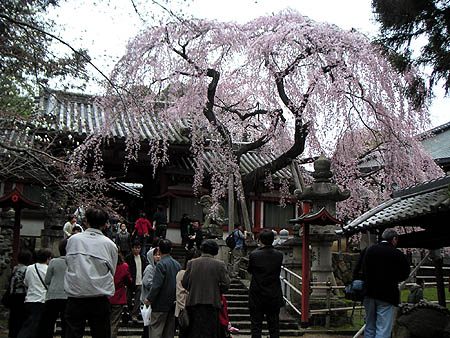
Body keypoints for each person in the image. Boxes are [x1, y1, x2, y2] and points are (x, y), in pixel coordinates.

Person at [64, 207, 118, 338]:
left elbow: (69, 263)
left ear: (86, 222)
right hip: (99, 295)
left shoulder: (73, 240)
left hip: (76, 294)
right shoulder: (110, 245)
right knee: (101, 333)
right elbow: (113, 270)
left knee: (72, 333)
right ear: (106, 224)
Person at [354, 228, 410, 338]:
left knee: (369, 326)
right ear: (394, 239)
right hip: (387, 294)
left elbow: (357, 270)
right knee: (383, 328)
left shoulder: (368, 250)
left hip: (369, 292)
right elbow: (404, 274)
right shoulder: (397, 254)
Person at [182, 239, 231, 338]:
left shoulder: (192, 263)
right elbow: (226, 284)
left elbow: (185, 282)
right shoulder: (219, 265)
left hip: (194, 302)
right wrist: (216, 289)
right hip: (212, 303)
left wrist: (194, 288)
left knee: (194, 332)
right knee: (210, 332)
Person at [247, 230, 283, 338]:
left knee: (256, 326)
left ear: (260, 240)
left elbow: (250, 270)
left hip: (257, 294)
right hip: (274, 293)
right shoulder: (279, 255)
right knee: (274, 326)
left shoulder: (254, 255)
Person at [145, 239, 181, 338]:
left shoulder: (161, 264)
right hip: (172, 302)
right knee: (168, 332)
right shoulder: (177, 264)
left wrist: (149, 298)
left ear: (159, 249)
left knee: (156, 330)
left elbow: (157, 285)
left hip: (160, 303)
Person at [17, 248, 52, 338]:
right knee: (37, 326)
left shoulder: (30, 268)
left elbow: (26, 282)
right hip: (42, 299)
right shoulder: (48, 269)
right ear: (48, 259)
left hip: (30, 299)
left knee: (29, 323)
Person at [42, 240, 68, 338]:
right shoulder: (73, 263)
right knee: (66, 324)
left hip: (52, 295)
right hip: (67, 295)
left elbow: (47, 280)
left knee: (48, 323)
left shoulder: (53, 262)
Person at [175, 247, 201, 338]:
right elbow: (180, 294)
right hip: (185, 310)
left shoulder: (201, 274)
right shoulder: (182, 273)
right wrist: (184, 309)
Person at [7, 250, 32, 338]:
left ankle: (12, 333)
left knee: (13, 317)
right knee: (21, 317)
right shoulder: (27, 270)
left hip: (13, 295)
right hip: (22, 295)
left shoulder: (14, 268)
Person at [110, 253, 133, 338]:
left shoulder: (105, 265)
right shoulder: (124, 266)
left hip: (105, 296)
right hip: (118, 297)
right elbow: (129, 281)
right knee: (114, 322)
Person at [125, 242, 148, 322]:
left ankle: (135, 314)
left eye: (138, 248)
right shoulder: (128, 258)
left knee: (137, 300)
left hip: (140, 281)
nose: (137, 250)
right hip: (130, 281)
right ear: (132, 248)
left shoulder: (143, 258)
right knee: (128, 299)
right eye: (135, 248)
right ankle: (128, 312)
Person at [141, 247, 161, 338]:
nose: (158, 257)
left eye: (159, 255)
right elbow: (147, 282)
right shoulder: (150, 268)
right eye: (155, 255)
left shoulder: (157, 267)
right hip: (148, 299)